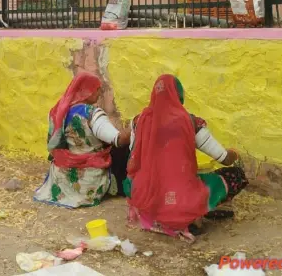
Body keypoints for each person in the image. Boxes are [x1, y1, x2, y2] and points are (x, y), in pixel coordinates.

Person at [125, 74, 248, 242]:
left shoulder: (139, 121)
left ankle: (156, 219)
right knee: (235, 175)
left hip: (145, 197)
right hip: (179, 201)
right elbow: (224, 157)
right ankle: (190, 219)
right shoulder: (190, 122)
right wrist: (235, 153)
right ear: (179, 94)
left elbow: (133, 157)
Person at [34, 72, 131, 208]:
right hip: (87, 181)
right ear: (88, 91)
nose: (98, 94)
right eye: (97, 89)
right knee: (121, 150)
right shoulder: (92, 114)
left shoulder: (57, 112)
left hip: (61, 177)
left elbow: (53, 145)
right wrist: (135, 126)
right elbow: (118, 139)